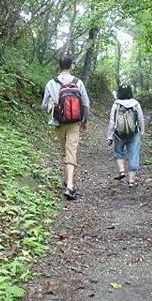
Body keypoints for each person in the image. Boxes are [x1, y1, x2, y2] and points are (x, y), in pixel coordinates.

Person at [42, 55, 90, 200]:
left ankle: (68, 182)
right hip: (75, 122)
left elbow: (44, 105)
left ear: (59, 66)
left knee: (64, 151)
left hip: (58, 122)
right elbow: (86, 104)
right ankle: (70, 185)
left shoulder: (51, 83)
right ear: (71, 66)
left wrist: (52, 107)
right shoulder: (78, 82)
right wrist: (84, 120)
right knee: (71, 151)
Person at [107, 84, 145, 187]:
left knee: (118, 151)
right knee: (133, 155)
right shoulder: (135, 104)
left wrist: (110, 136)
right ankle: (131, 181)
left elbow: (112, 121)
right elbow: (141, 119)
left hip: (119, 134)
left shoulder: (116, 104)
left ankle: (122, 171)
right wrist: (141, 131)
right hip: (134, 133)